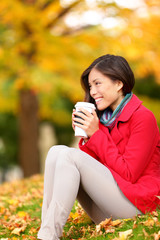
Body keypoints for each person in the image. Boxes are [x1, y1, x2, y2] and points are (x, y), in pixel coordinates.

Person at [38, 54, 160, 240]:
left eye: (97, 83)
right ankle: (46, 230)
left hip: (136, 205)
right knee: (57, 151)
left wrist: (96, 134)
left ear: (119, 84)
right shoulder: (103, 119)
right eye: (90, 86)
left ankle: (48, 237)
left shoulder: (143, 118)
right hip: (106, 206)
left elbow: (128, 174)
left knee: (70, 156)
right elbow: (99, 169)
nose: (92, 91)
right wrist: (88, 137)